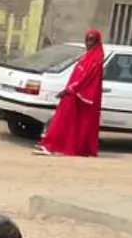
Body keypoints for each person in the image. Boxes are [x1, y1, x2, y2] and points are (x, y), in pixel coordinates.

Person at [37, 29, 106, 157]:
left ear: (97, 41)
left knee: (65, 120)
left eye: (91, 40)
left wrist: (70, 90)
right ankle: (51, 144)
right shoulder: (87, 55)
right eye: (87, 40)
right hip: (74, 93)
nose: (88, 43)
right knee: (66, 120)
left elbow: (87, 78)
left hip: (80, 95)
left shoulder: (96, 58)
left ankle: (53, 145)